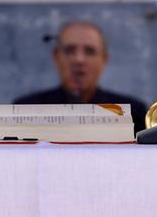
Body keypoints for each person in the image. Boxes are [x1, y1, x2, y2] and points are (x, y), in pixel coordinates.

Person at [14, 20, 148, 134]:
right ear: (56, 57)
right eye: (69, 51)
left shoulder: (131, 113)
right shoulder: (26, 110)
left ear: (104, 59)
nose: (79, 60)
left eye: (89, 51)